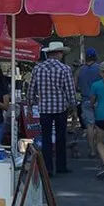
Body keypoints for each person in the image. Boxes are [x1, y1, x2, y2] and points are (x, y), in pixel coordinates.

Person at [28, 41, 77, 176]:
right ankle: (61, 165)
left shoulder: (38, 69)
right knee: (61, 137)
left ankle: (47, 168)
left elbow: (32, 88)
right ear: (58, 53)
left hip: (44, 108)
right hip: (61, 108)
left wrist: (30, 102)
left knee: (46, 139)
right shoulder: (65, 69)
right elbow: (70, 90)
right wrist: (73, 108)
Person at [75, 48, 102, 158]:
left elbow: (74, 86)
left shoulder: (79, 70)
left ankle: (92, 150)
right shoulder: (100, 68)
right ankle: (100, 146)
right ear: (95, 57)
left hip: (85, 100)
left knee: (90, 126)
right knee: (99, 125)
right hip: (100, 100)